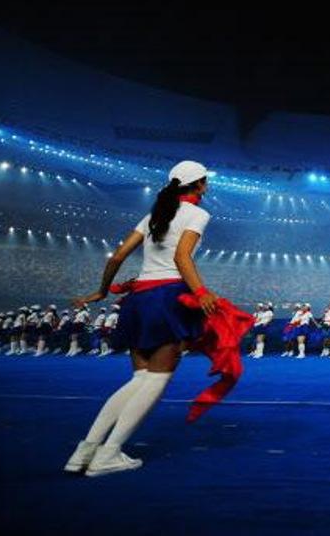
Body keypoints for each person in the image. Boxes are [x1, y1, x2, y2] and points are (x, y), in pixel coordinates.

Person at [64, 160, 219, 477]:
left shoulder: (153, 215)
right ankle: (107, 454)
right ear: (200, 185)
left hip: (139, 300)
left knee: (140, 379)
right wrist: (201, 292)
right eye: (205, 181)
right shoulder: (198, 214)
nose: (207, 186)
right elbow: (181, 257)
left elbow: (118, 256)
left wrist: (102, 291)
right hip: (167, 297)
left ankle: (85, 451)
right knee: (157, 379)